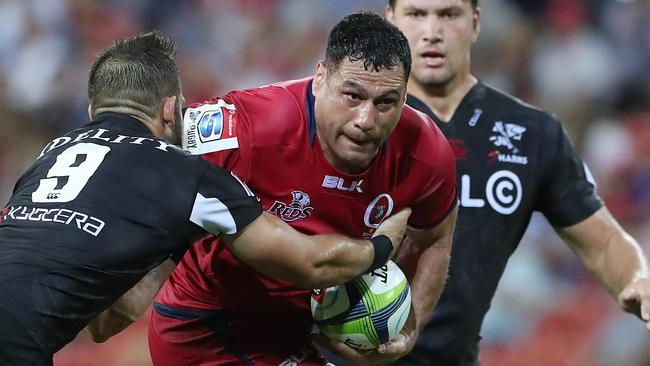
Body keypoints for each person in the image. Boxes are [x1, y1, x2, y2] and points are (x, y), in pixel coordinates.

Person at [0, 31, 412, 366]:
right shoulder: (187, 174)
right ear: (171, 111)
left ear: (94, 111)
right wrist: (381, 245)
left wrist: (171, 246)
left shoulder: (48, 156)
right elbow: (310, 262)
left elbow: (106, 322)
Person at [148, 11, 458, 366]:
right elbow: (151, 144)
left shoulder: (426, 153)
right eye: (352, 96)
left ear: (405, 96)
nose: (365, 120)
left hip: (297, 331)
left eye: (385, 102)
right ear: (321, 77)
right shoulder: (251, 128)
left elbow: (435, 239)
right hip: (209, 325)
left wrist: (410, 328)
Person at [378, 0, 650, 364]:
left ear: (475, 22)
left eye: (448, 14)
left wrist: (637, 281)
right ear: (391, 21)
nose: (432, 31)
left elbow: (602, 243)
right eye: (416, 14)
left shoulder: (531, 134)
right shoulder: (351, 120)